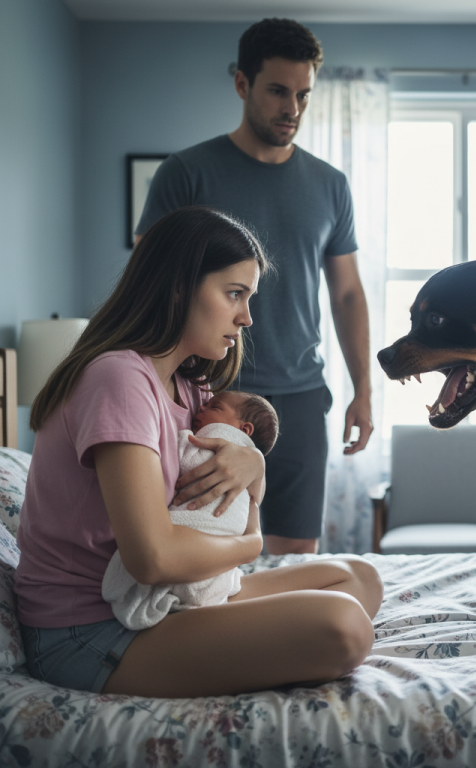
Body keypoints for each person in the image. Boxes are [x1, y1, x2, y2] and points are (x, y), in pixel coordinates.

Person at [14, 206, 383, 698]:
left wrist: (253, 461)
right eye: (234, 294)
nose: (247, 317)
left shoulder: (187, 385)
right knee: (344, 626)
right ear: (178, 286)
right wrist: (252, 545)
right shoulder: (120, 379)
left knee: (359, 579)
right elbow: (152, 556)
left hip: (162, 600)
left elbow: (236, 461)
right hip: (93, 628)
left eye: (248, 298)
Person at [135, 18, 373, 557]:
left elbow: (348, 295)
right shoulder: (186, 173)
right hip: (208, 392)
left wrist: (363, 388)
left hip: (300, 396)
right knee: (208, 540)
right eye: (277, 91)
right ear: (242, 84)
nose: (292, 107)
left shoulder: (331, 185)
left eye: (303, 94)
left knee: (293, 555)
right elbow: (151, 279)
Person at [102, 391, 279, 630]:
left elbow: (187, 458)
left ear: (243, 429)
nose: (202, 408)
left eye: (215, 406)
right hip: (207, 560)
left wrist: (180, 438)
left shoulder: (219, 438)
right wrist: (252, 544)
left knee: (347, 575)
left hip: (209, 549)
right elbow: (254, 503)